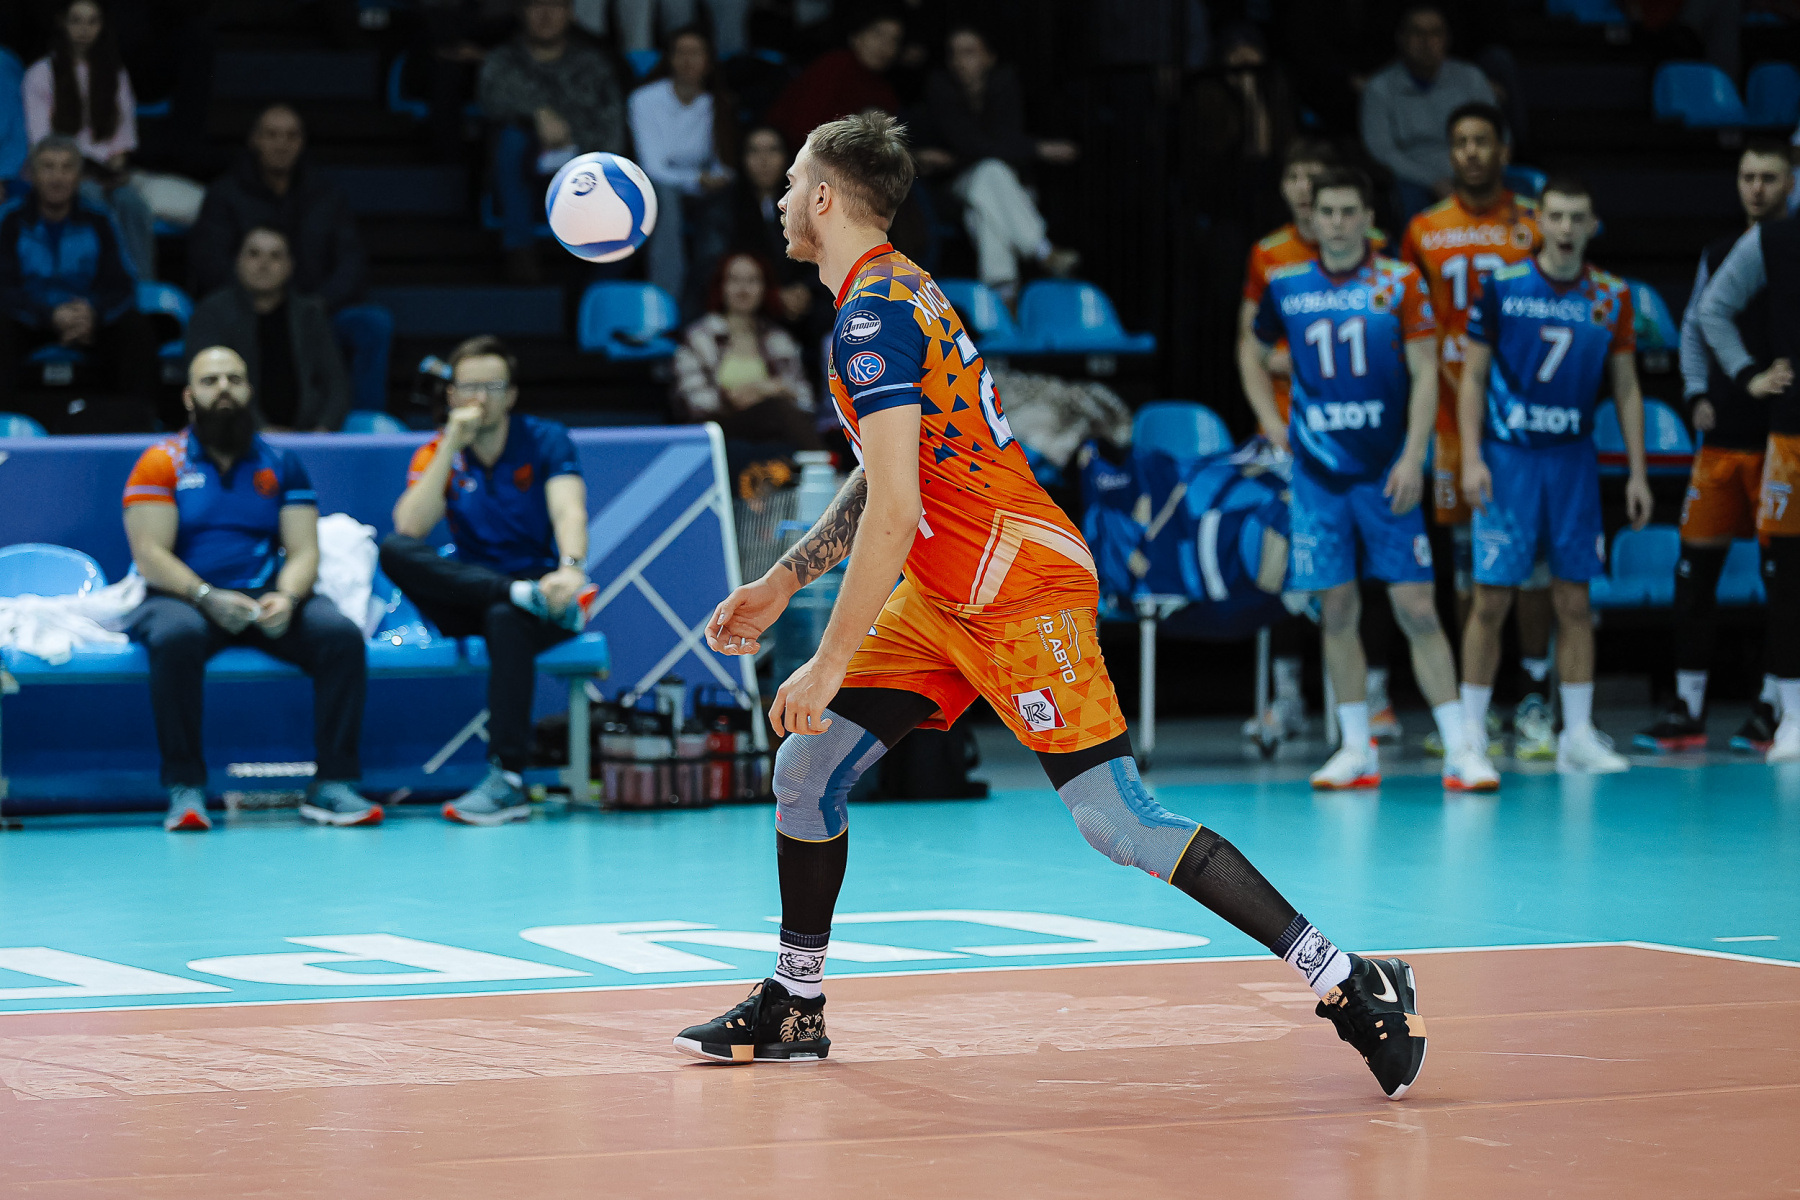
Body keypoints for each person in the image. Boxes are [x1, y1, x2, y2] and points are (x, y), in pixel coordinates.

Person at [669, 113, 1430, 1103]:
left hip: (1018, 586)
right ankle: (795, 1003)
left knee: (1119, 822)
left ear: (822, 197)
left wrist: (827, 660)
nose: (777, 201)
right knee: (805, 772)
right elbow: (893, 472)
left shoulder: (871, 318)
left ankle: (1349, 979)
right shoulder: (888, 293)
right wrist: (785, 579)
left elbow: (894, 510)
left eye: (790, 184)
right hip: (945, 591)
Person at [1242, 166, 1483, 792]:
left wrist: (1412, 455)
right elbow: (1251, 348)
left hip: (1385, 474)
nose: (1338, 223)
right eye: (1328, 212)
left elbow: (1426, 373)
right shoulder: (1287, 284)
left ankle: (1462, 748)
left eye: (1350, 211)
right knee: (1337, 609)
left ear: (1368, 219)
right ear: (1312, 218)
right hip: (1318, 479)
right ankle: (1355, 748)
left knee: (1417, 606)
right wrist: (1272, 423)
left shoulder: (1400, 282)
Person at [121, 346, 380, 832]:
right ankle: (186, 788)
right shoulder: (160, 463)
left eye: (234, 379)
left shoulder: (282, 462)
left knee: (340, 637)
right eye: (210, 381)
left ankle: (334, 784)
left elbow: (304, 550)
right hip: (183, 597)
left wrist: (289, 597)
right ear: (189, 397)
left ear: (249, 391)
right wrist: (206, 597)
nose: (224, 389)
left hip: (264, 597)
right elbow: (150, 555)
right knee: (175, 638)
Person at [1459, 177, 1653, 776]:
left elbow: (1626, 387)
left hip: (1572, 461)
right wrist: (1470, 457)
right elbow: (1471, 376)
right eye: (1558, 216)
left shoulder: (1611, 296)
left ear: (1593, 226)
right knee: (1492, 597)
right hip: (1508, 460)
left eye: (1578, 218)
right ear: (1538, 221)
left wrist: (1638, 473)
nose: (1567, 228)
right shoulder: (1503, 286)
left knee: (1574, 598)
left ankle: (1578, 735)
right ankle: (1469, 735)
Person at [380, 335, 598, 825]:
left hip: (541, 589)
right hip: (470, 589)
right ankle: (515, 595)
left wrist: (570, 567)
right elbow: (411, 526)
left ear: (511, 395)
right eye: (468, 387)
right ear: (451, 395)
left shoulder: (545, 439)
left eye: (492, 387)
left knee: (506, 617)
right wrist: (450, 444)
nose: (479, 398)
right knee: (394, 550)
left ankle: (509, 781)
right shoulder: (438, 450)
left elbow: (569, 509)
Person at [1398, 101, 1553, 759]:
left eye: (1482, 140)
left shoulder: (1536, 224)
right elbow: (1405, 319)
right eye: (1460, 141)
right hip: (1452, 423)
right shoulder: (1425, 228)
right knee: (1468, 569)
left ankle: (1536, 698)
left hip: (1528, 421)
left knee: (1535, 567)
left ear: (1503, 150)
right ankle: (1474, 709)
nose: (1470, 152)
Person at [1236, 140, 1399, 744]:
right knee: (1290, 560)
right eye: (1295, 176)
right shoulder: (1270, 255)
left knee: (1370, 563)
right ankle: (1287, 699)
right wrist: (1271, 422)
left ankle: (1375, 698)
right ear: (1284, 188)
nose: (1305, 188)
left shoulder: (1376, 255)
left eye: (1314, 176)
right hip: (1291, 437)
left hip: (1360, 435)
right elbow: (1249, 346)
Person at [1637, 142, 1794, 755]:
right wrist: (1697, 390)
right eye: (1747, 176)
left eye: (1768, 178)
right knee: (1693, 573)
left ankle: (1771, 707)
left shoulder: (1789, 246)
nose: (1756, 188)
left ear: (1791, 183)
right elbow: (1697, 323)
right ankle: (1688, 707)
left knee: (1784, 580)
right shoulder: (1719, 251)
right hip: (1723, 441)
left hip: (1780, 439)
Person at [188, 104, 394, 415]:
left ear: (302, 142)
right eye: (271, 135)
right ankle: (240, 424)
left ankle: (363, 424)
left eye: (291, 136)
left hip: (318, 310)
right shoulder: (226, 194)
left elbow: (351, 262)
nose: (281, 144)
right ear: (254, 140)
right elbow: (209, 260)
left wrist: (317, 305)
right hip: (246, 310)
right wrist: (257, 297)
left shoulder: (326, 195)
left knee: (372, 324)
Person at [1695, 212, 1800, 759]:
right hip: (1793, 436)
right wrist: (1745, 373)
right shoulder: (1776, 239)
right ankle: (1793, 719)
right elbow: (1710, 308)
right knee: (1790, 580)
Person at [917, 25, 1079, 303]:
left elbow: (1001, 142)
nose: (959, 61)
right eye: (954, 53)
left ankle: (1004, 298)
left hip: (1000, 189)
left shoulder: (1005, 84)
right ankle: (1042, 250)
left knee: (982, 212)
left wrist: (980, 151)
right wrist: (1036, 148)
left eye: (969, 52)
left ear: (989, 57)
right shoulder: (941, 88)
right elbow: (969, 143)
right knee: (989, 173)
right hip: (958, 186)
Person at [477, 0, 628, 283]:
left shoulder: (593, 63)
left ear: (570, 13)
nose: (546, 15)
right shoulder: (504, 59)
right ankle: (520, 252)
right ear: (521, 12)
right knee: (511, 138)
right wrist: (537, 112)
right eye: (536, 6)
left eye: (555, 6)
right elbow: (491, 99)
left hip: (583, 171)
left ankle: (600, 284)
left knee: (625, 181)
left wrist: (575, 142)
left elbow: (611, 126)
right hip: (525, 176)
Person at [0, 136, 155, 406]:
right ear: (32, 175)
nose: (57, 177)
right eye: (48, 167)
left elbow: (121, 283)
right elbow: (4, 287)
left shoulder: (99, 219)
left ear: (79, 176)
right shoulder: (11, 219)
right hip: (29, 319)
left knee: (135, 330)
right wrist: (49, 315)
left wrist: (92, 313)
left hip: (87, 319)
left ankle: (138, 422)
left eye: (66, 167)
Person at [21, 0, 156, 277]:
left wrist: (113, 171)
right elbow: (42, 144)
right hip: (62, 171)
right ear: (63, 23)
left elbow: (122, 143)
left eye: (92, 21)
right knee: (94, 201)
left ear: (102, 26)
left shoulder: (115, 73)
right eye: (76, 20)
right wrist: (80, 173)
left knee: (132, 204)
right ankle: (103, 279)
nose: (84, 29)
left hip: (105, 173)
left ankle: (142, 284)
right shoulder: (41, 74)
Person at [185, 226, 350, 432]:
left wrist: (323, 431)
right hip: (238, 438)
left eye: (275, 256)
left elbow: (337, 385)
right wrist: (261, 431)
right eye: (254, 254)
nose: (264, 264)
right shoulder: (212, 313)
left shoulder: (309, 315)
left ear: (290, 265)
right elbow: (207, 385)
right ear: (237, 261)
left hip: (310, 439)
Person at [629, 25, 736, 317]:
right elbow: (652, 167)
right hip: (660, 187)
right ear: (669, 59)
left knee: (723, 208)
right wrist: (696, 179)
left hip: (703, 190)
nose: (688, 61)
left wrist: (714, 177)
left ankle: (705, 306)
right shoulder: (643, 99)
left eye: (696, 53)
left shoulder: (717, 102)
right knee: (665, 199)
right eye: (681, 53)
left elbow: (725, 163)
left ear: (709, 61)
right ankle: (665, 305)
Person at [1360, 3, 1496, 221]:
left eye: (1435, 33)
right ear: (1401, 38)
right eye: (1417, 32)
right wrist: (1433, 181)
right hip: (1413, 178)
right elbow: (1382, 151)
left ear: (1447, 39)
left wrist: (1475, 174)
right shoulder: (1380, 88)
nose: (1426, 41)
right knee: (1408, 194)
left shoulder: (1471, 78)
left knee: (1515, 185)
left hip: (1472, 169)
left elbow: (1498, 133)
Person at [671, 251, 818, 449]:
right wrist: (752, 394)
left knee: (778, 417)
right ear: (721, 286)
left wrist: (755, 393)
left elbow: (806, 401)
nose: (743, 289)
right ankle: (822, 461)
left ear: (765, 288)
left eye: (752, 280)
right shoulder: (698, 338)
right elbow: (693, 403)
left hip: (772, 431)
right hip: (717, 431)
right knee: (776, 411)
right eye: (734, 280)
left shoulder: (779, 339)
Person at [764, 12, 903, 152]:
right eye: (878, 34)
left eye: (894, 40)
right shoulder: (834, 65)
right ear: (855, 37)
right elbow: (802, 128)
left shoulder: (887, 93)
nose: (885, 45)